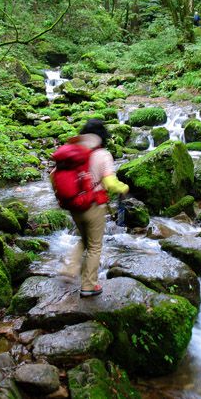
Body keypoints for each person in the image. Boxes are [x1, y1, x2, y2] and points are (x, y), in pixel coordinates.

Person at [58, 119, 129, 297]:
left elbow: (54, 176)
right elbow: (109, 182)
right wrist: (124, 188)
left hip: (74, 206)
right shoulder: (103, 155)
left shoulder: (74, 152)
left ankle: (69, 267)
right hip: (93, 206)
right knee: (95, 246)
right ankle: (89, 285)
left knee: (84, 239)